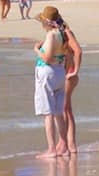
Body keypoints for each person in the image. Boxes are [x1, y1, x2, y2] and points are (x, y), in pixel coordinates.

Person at [33, 8, 71, 159]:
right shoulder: (62, 34)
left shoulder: (51, 35)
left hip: (47, 72)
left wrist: (36, 50)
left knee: (48, 113)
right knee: (58, 113)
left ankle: (51, 149)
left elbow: (47, 57)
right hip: (59, 72)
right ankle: (64, 147)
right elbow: (67, 56)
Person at [50, 9, 84, 158]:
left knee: (64, 109)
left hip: (69, 74)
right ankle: (68, 143)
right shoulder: (62, 34)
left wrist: (75, 70)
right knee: (66, 109)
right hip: (67, 73)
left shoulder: (67, 33)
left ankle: (67, 144)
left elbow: (78, 51)